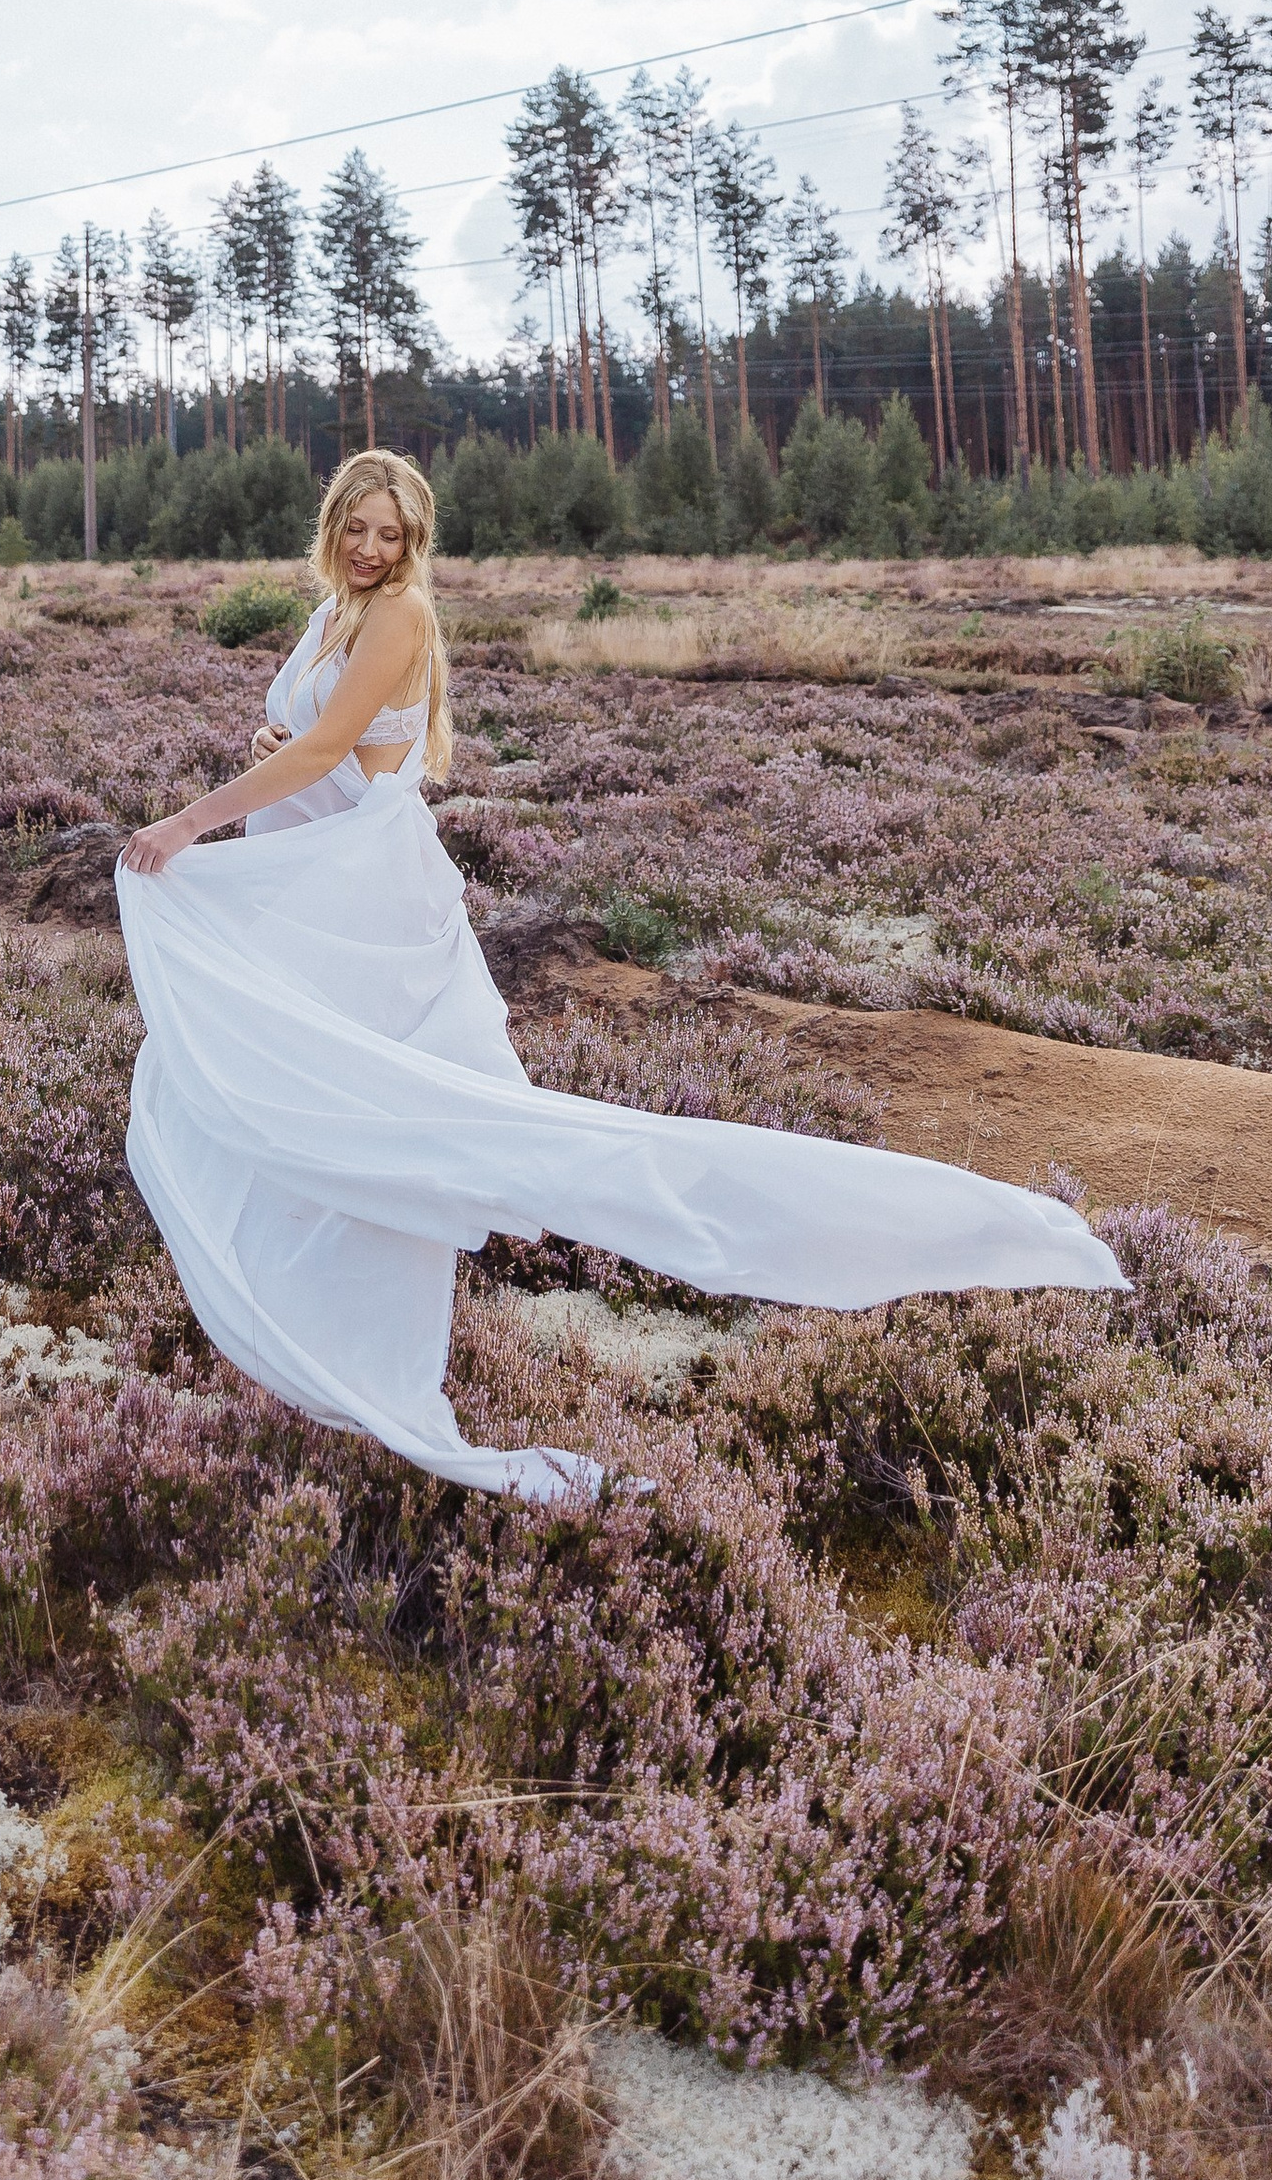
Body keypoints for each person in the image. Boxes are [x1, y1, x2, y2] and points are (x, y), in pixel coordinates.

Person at [116, 449, 1125, 1503]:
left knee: (412, 1125)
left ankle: (907, 1229)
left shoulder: (399, 616)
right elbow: (323, 743)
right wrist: (276, 743)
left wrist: (190, 822)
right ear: (332, 527)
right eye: (359, 529)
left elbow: (331, 752)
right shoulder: (332, 612)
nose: (374, 549)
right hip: (327, 894)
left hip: (371, 901)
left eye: (393, 534)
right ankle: (319, 1324)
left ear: (415, 544)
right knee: (339, 1111)